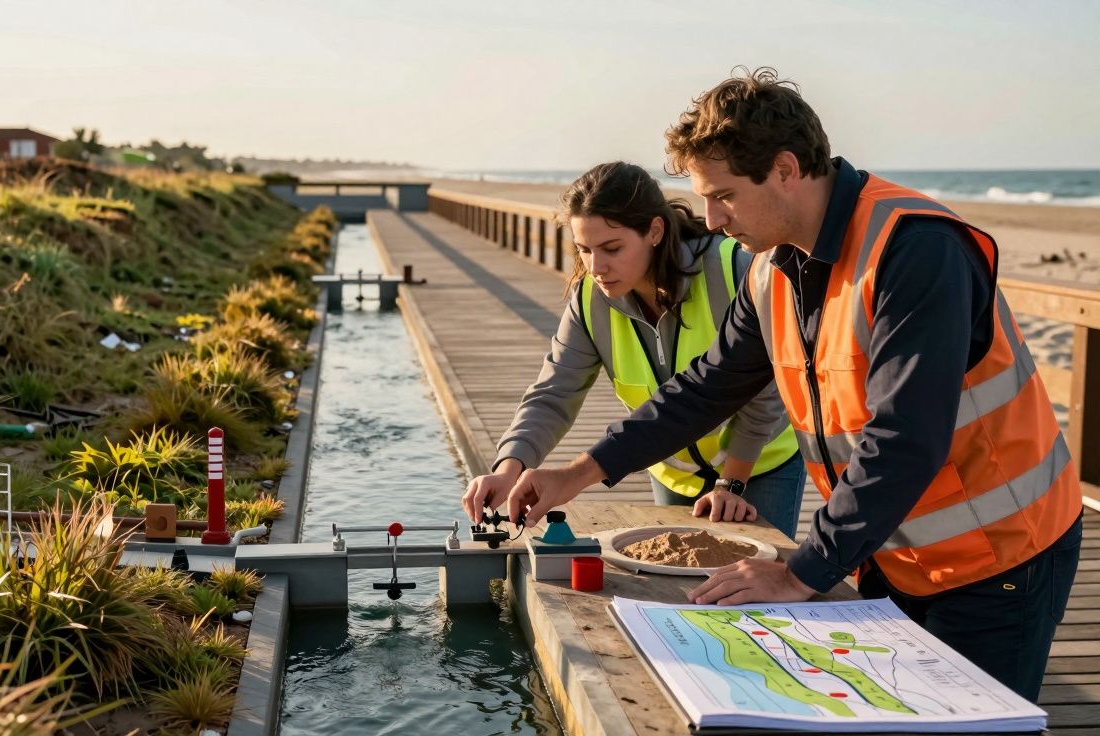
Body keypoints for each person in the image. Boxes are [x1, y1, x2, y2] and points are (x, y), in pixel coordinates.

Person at [504, 68, 1082, 701]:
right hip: (891, 553)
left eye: (722, 195)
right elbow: (704, 389)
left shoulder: (916, 249)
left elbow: (905, 437)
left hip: (1000, 561)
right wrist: (577, 474)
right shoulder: (774, 269)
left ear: (783, 169)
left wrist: (802, 571)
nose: (710, 219)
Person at [461, 162, 806, 538]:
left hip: (759, 464)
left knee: (757, 589)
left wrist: (732, 482)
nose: (596, 267)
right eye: (584, 250)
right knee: (675, 587)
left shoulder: (732, 268)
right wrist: (509, 467)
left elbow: (767, 384)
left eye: (612, 248)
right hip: (671, 472)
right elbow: (554, 393)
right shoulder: (590, 299)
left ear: (654, 230)